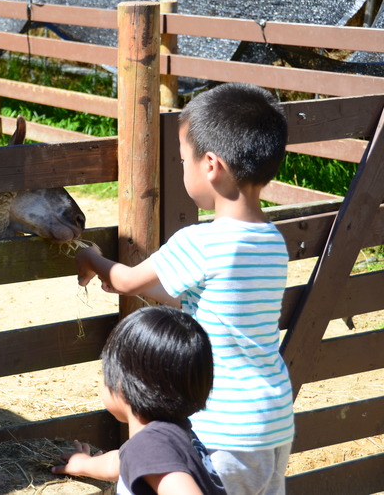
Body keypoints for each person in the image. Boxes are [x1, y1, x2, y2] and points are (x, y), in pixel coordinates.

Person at [74, 82, 294, 494]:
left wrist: (92, 258)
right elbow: (212, 301)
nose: (181, 168)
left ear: (210, 165)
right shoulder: (271, 240)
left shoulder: (202, 241)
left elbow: (125, 279)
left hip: (221, 424)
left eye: (181, 160)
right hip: (273, 420)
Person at [52, 305, 226, 495]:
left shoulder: (149, 447)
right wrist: (84, 464)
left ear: (120, 386)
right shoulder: (172, 436)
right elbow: (117, 463)